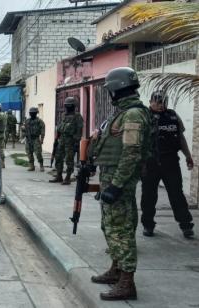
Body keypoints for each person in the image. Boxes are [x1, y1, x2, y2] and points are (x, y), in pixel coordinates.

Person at [90, 67, 151, 301]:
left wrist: (116, 185)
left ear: (117, 88)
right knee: (111, 226)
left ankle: (127, 283)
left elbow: (131, 153)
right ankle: (116, 270)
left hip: (120, 182)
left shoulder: (133, 115)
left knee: (121, 230)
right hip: (113, 178)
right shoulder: (123, 113)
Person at [141, 91, 194, 238]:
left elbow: (181, 138)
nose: (160, 105)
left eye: (163, 102)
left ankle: (186, 225)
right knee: (149, 196)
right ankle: (148, 225)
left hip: (170, 161)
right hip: (150, 162)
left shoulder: (173, 116)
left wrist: (188, 156)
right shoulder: (144, 116)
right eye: (157, 101)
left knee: (177, 194)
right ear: (151, 101)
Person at [50, 97, 83, 185]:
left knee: (69, 159)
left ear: (73, 106)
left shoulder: (77, 116)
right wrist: (56, 139)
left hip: (71, 140)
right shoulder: (63, 115)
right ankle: (59, 175)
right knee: (58, 157)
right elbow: (60, 127)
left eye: (69, 106)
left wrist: (76, 142)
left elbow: (79, 130)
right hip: (62, 139)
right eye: (66, 106)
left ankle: (68, 177)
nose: (67, 107)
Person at [22, 107, 45, 172]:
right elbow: (24, 130)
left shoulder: (39, 121)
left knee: (38, 153)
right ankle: (31, 166)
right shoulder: (27, 121)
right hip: (28, 139)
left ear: (36, 113)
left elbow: (43, 130)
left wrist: (42, 139)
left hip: (36, 139)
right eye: (31, 113)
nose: (31, 114)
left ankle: (41, 165)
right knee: (29, 153)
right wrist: (23, 129)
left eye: (33, 113)